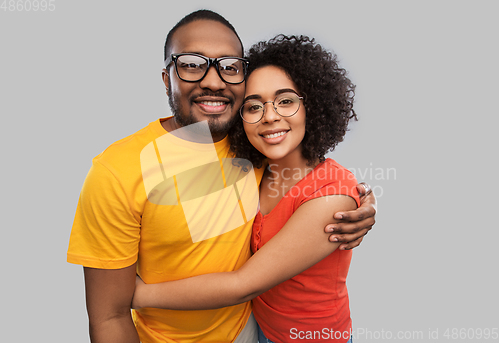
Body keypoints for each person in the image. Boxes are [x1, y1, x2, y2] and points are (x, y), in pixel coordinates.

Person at [67, 10, 376, 343]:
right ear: (166, 77)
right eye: (190, 63)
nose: (213, 81)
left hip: (253, 330)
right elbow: (108, 317)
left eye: (229, 66)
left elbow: (308, 175)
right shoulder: (117, 171)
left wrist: (357, 201)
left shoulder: (249, 145)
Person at [131, 34, 361, 343]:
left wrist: (138, 294)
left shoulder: (331, 196)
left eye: (286, 101)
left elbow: (244, 284)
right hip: (255, 327)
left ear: (313, 106)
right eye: (253, 107)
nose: (269, 116)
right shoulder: (254, 169)